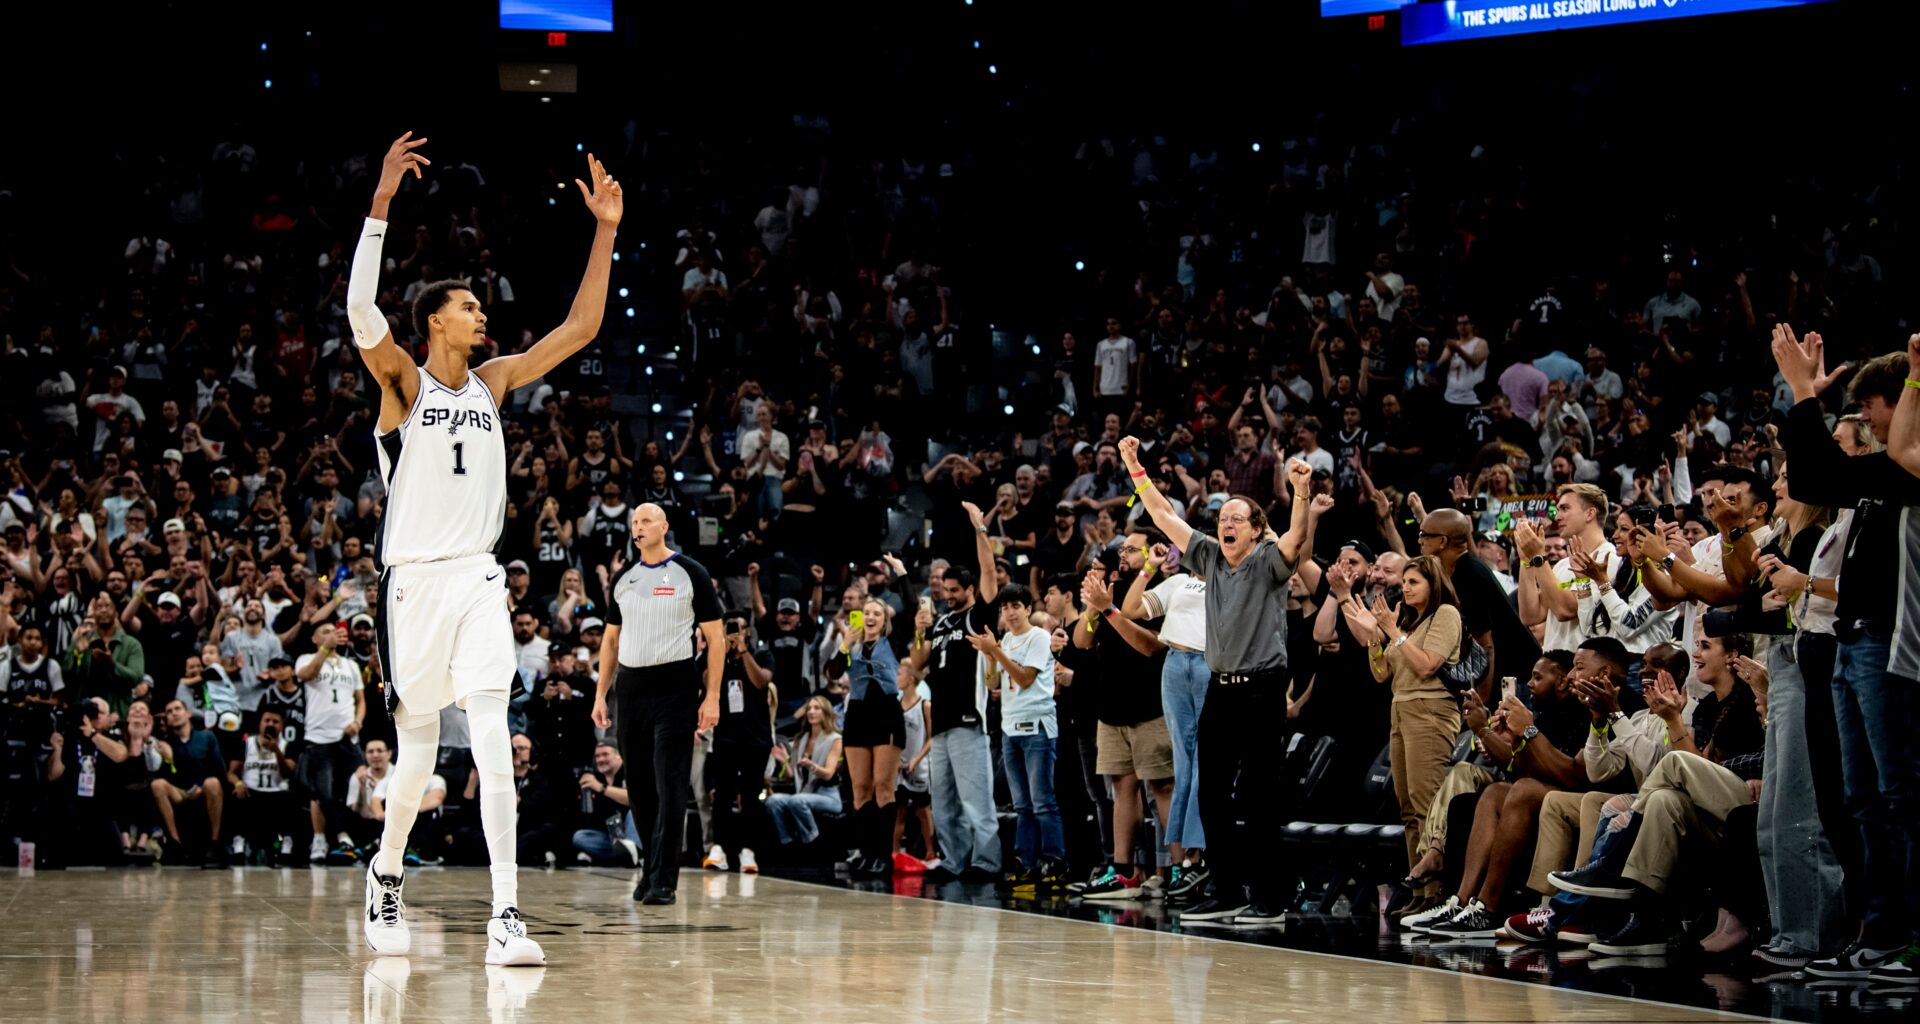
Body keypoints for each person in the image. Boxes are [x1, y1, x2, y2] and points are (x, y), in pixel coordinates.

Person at [347, 132, 622, 965]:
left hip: (476, 578)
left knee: (494, 727)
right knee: (420, 747)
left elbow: (579, 328)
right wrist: (381, 205)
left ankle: (507, 912)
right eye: (468, 307)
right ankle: (386, 871)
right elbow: (361, 316)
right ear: (435, 321)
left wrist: (605, 229)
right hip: (411, 587)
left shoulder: (496, 379)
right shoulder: (404, 380)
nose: (482, 314)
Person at [1120, 435, 1320, 926]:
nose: (1225, 524)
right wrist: (1134, 468)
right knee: (1210, 792)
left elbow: (1295, 539)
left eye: (1237, 519)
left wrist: (1300, 492)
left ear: (1256, 531)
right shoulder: (1208, 555)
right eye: (1222, 518)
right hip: (1220, 688)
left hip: (1262, 689)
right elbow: (1165, 517)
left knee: (1258, 795)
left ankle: (1270, 898)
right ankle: (1227, 889)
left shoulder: (1268, 561)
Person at [591, 502, 724, 905]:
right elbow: (611, 640)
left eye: (646, 520)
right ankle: (650, 867)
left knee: (670, 783)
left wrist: (713, 696)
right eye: (634, 522)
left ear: (664, 526)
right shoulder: (624, 578)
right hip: (631, 688)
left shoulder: (690, 573)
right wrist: (601, 692)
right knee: (641, 788)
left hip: (675, 685)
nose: (638, 527)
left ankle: (665, 877)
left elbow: (716, 640)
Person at [1339, 555, 1463, 903]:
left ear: (1432, 584)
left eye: (1414, 582)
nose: (1405, 588)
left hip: (1431, 710)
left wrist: (1391, 632)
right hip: (1400, 709)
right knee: (1407, 808)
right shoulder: (1408, 620)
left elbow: (1427, 666)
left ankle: (1438, 892)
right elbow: (1382, 674)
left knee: (1427, 806)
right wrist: (1372, 639)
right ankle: (1419, 891)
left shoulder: (1445, 615)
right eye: (1404, 582)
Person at [909, 501, 1002, 881]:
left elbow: (989, 572)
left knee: (976, 800)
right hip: (942, 723)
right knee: (943, 802)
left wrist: (980, 530)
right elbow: (917, 665)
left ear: (967, 590)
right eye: (944, 589)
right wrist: (919, 629)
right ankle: (953, 860)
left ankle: (987, 862)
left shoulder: (977, 615)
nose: (947, 594)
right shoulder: (943, 620)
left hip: (968, 719)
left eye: (953, 589)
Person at [971, 583, 1064, 889]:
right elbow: (991, 683)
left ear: (1027, 608)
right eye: (1004, 608)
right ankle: (1027, 863)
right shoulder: (1006, 640)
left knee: (1042, 801)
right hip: (1011, 726)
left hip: (1037, 725)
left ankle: (1055, 862)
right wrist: (989, 657)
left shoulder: (1038, 637)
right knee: (1022, 804)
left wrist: (994, 650)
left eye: (1014, 606)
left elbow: (1024, 679)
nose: (1009, 613)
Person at [825, 597, 906, 876]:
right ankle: (866, 852)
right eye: (866, 612)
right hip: (858, 716)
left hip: (887, 715)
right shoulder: (851, 646)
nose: (870, 617)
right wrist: (845, 642)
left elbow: (910, 607)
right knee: (860, 789)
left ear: (885, 620)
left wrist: (901, 574)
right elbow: (832, 673)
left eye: (876, 613)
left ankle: (884, 855)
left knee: (883, 786)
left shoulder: (893, 644)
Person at [702, 611, 772, 875]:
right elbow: (708, 682)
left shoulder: (761, 654)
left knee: (751, 796)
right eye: (730, 628)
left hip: (755, 738)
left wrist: (743, 652)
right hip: (726, 736)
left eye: (739, 628)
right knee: (722, 795)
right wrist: (720, 648)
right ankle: (719, 847)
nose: (735, 632)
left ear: (749, 632)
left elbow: (761, 681)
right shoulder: (717, 657)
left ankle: (748, 850)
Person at [766, 695, 843, 846]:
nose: (811, 712)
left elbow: (828, 774)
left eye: (816, 708)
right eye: (809, 708)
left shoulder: (835, 739)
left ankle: (812, 840)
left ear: (825, 712)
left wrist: (810, 765)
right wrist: (785, 762)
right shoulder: (801, 739)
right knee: (773, 801)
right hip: (803, 793)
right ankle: (787, 841)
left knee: (797, 800)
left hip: (828, 796)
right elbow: (791, 777)